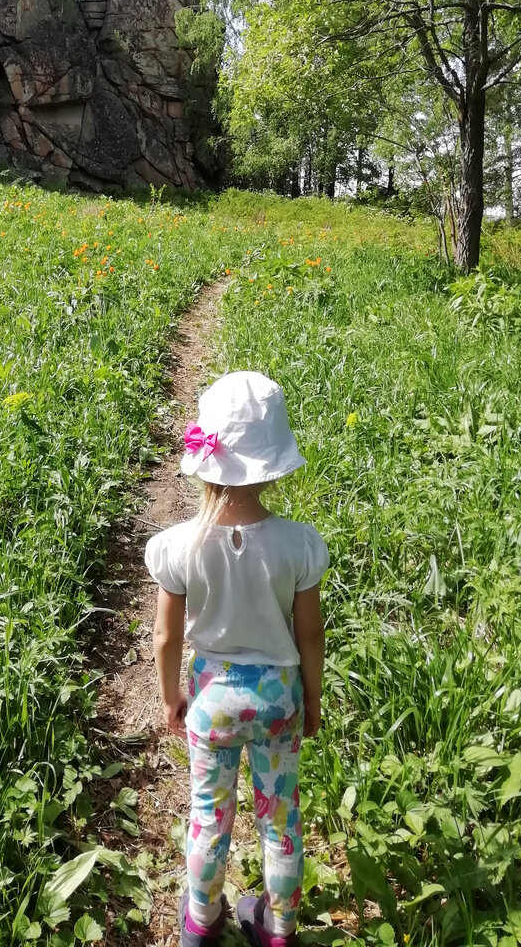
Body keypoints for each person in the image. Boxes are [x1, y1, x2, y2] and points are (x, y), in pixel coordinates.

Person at [145, 371, 328, 947]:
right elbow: (311, 635)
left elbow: (165, 637)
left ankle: (201, 922)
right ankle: (279, 928)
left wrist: (171, 696)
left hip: (213, 701)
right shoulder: (298, 543)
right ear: (272, 466)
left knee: (209, 815)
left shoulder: (181, 546)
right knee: (281, 819)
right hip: (278, 701)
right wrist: (311, 698)